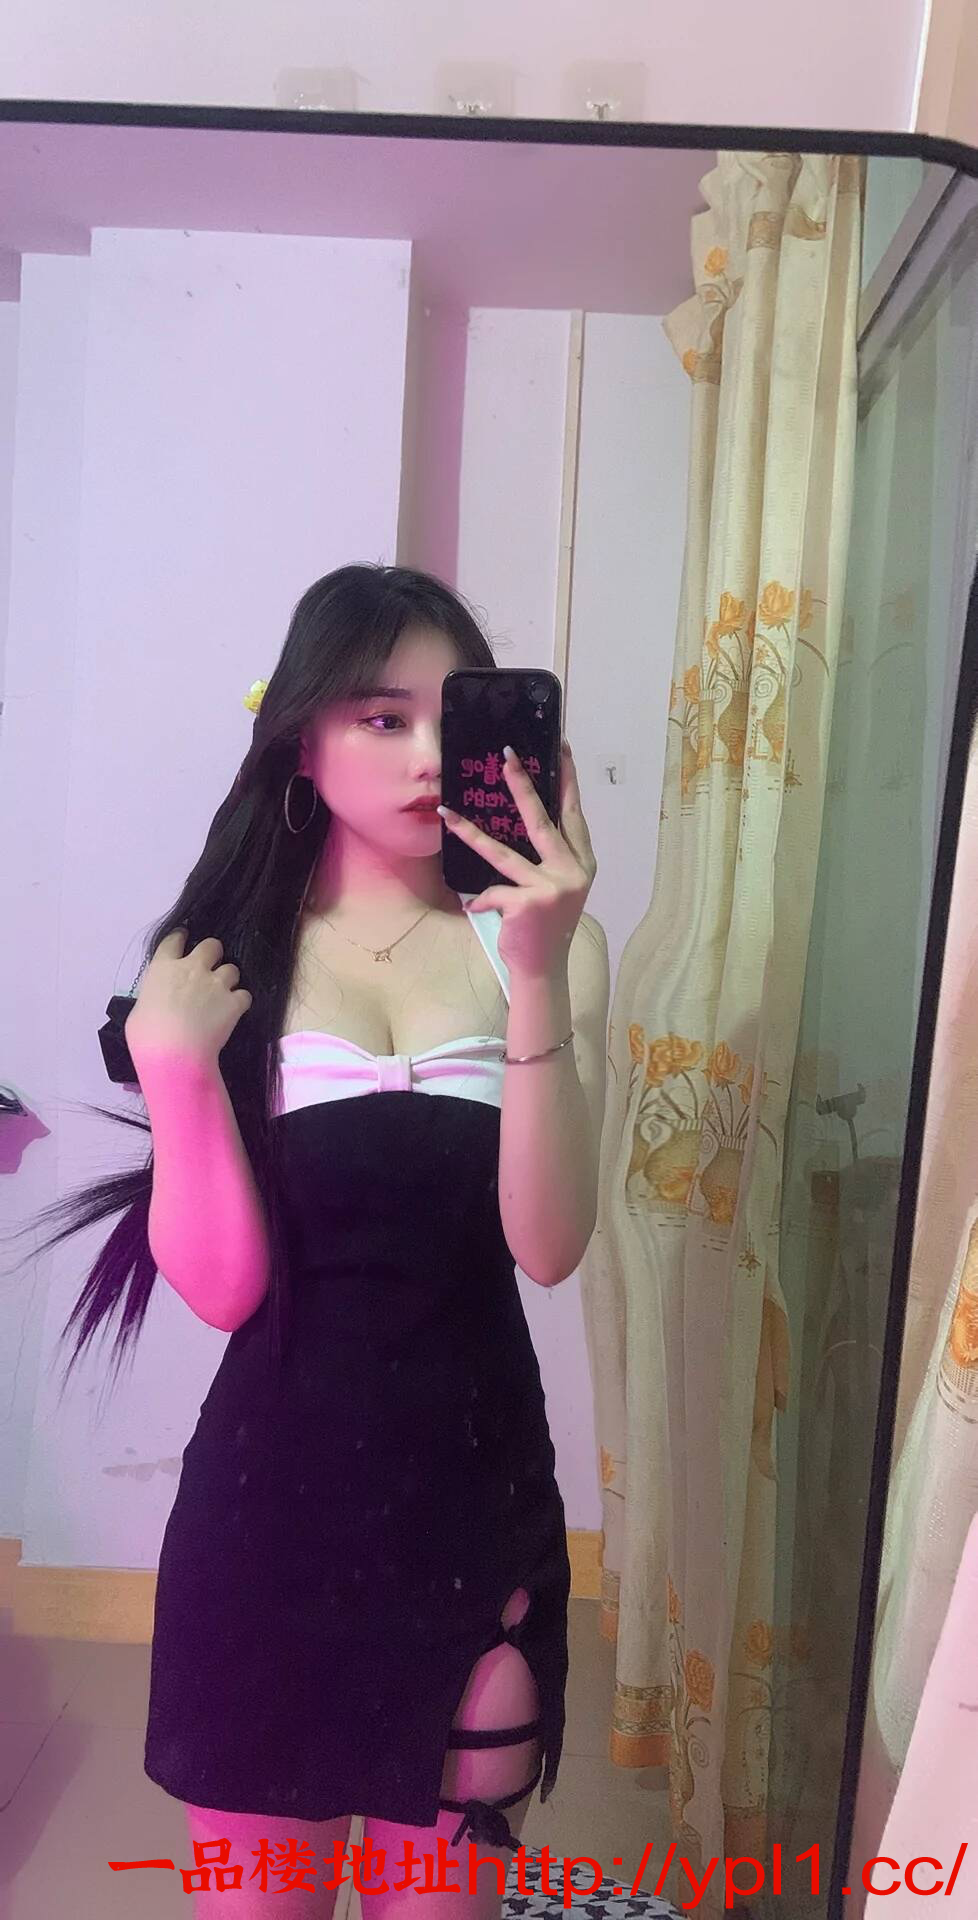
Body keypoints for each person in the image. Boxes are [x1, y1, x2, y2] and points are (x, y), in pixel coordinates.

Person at [29, 565, 611, 1920]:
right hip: (270, 1521)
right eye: (380, 717)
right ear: (303, 738)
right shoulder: (227, 961)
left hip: (474, 1505)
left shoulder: (543, 950)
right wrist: (176, 1070)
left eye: (452, 719)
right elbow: (225, 1287)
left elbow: (548, 1245)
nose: (424, 756)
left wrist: (537, 969)